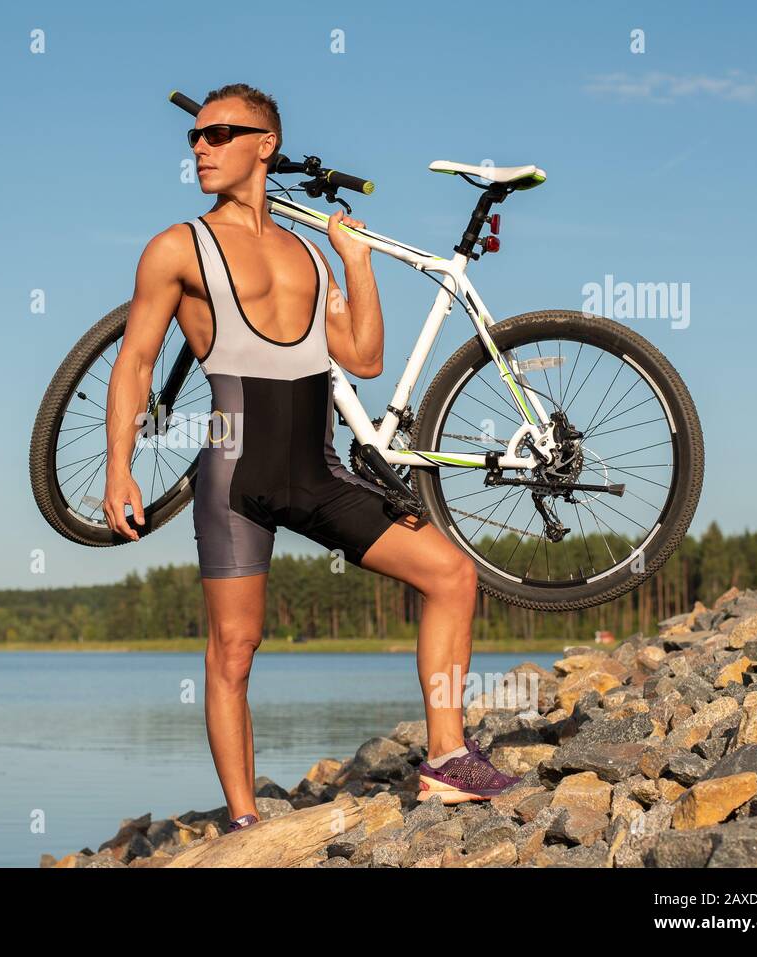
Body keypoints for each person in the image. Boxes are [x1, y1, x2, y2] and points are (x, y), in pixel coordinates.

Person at [102, 83, 519, 826]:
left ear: (264, 144)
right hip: (235, 472)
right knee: (235, 648)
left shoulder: (305, 253)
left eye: (219, 134)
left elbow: (362, 355)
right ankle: (244, 819)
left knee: (452, 572)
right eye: (194, 138)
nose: (200, 148)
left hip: (317, 473)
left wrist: (353, 261)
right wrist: (118, 466)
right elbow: (136, 362)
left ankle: (448, 758)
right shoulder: (177, 247)